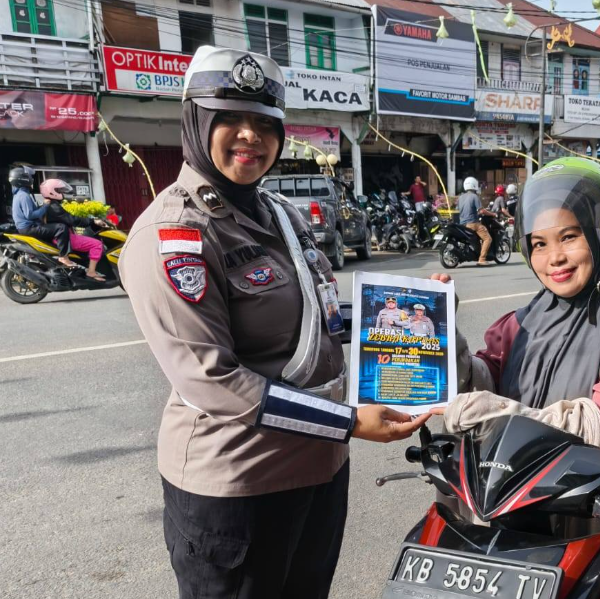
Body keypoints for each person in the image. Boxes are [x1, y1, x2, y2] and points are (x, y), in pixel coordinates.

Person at [118, 46, 430, 599]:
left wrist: (417, 305)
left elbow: (319, 313)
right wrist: (348, 422)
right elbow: (213, 381)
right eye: (229, 118)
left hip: (317, 471)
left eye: (265, 123)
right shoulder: (174, 235)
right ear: (195, 121)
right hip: (238, 488)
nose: (250, 136)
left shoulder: (279, 213)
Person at [434, 156, 600, 599]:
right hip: (516, 493)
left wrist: (501, 412)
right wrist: (441, 333)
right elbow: (483, 378)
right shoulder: (521, 321)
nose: (554, 258)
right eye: (539, 243)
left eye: (569, 237)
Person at [39, 179, 109, 281]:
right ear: (51, 192)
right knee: (97, 244)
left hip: (59, 237)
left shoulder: (50, 205)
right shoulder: (54, 207)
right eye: (59, 191)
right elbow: (72, 220)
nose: (62, 193)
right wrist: (93, 221)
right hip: (64, 238)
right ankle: (91, 272)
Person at [11, 165, 75, 268]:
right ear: (24, 179)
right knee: (61, 227)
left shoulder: (18, 194)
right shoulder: (24, 195)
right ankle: (64, 256)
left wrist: (41, 207)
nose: (32, 179)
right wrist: (45, 206)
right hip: (30, 228)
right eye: (30, 176)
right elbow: (30, 215)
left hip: (25, 228)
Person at [457, 176, 494, 265]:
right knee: (488, 239)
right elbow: (481, 210)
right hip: (473, 223)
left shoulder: (461, 197)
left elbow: (460, 209)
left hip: (462, 224)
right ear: (474, 185)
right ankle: (482, 259)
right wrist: (492, 214)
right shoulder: (474, 196)